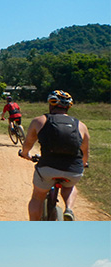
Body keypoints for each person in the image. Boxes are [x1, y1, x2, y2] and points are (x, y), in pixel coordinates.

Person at [20, 90, 90, 221]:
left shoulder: (39, 121)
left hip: (47, 168)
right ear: (68, 107)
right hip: (73, 170)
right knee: (69, 187)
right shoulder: (81, 125)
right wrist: (84, 163)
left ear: (51, 104)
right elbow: (85, 152)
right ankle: (69, 208)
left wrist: (25, 154)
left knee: (37, 197)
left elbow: (28, 143)